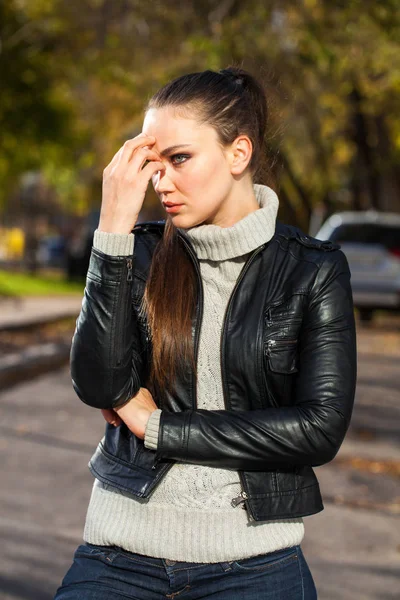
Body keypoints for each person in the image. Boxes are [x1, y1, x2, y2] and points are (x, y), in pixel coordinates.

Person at [54, 66, 357, 599]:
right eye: (153, 163)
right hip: (118, 554)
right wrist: (111, 233)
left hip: (256, 564)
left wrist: (159, 427)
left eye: (179, 159)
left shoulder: (312, 269)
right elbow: (98, 387)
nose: (160, 181)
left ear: (238, 154)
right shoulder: (137, 253)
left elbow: (318, 428)